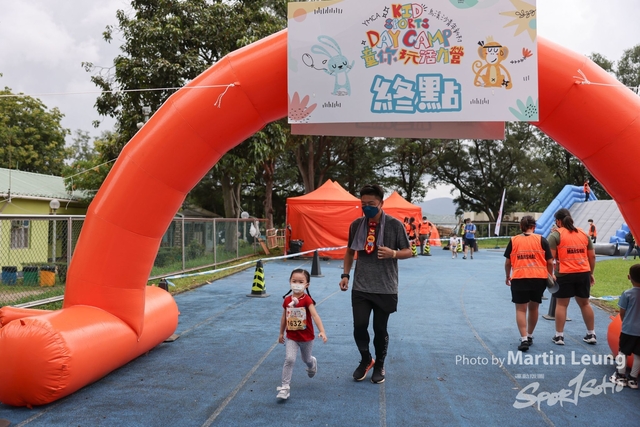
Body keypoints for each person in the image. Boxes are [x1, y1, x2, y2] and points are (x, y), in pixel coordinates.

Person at [339, 184, 412, 384]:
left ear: (381, 203)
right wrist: (345, 275)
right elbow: (349, 252)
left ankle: (379, 364)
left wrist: (393, 253)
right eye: (363, 204)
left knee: (380, 329)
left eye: (371, 204)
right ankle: (366, 359)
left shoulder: (395, 225)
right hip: (361, 286)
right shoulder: (356, 225)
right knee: (359, 326)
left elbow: (408, 251)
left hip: (385, 287)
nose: (367, 208)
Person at [504, 216, 554, 352]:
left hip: (519, 277)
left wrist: (507, 276)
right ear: (534, 227)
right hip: (538, 278)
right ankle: (530, 335)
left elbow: (508, 262)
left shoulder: (514, 240)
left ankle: (524, 338)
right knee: (534, 308)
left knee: (521, 309)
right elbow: (550, 262)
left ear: (521, 227)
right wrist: (550, 275)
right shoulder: (542, 240)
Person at [547, 208, 597, 345]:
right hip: (583, 272)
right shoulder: (583, 234)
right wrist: (591, 273)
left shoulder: (555, 235)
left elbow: (550, 259)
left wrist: (550, 275)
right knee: (585, 303)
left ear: (558, 221)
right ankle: (591, 333)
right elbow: (592, 256)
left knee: (562, 305)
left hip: (564, 274)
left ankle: (559, 336)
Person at [277, 269, 327, 400]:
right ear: (290, 282)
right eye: (294, 281)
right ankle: (285, 387)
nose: (297, 284)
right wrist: (281, 333)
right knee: (289, 359)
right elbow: (284, 318)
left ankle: (312, 363)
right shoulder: (287, 300)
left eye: (301, 282)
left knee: (306, 359)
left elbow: (315, 316)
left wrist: (322, 331)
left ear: (307, 284)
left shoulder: (307, 300)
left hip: (307, 338)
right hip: (292, 337)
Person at [610, 264, 640, 388]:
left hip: (628, 329)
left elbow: (622, 312)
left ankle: (620, 375)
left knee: (623, 352)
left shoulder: (627, 294)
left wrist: (624, 321)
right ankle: (633, 379)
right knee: (638, 355)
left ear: (629, 277)